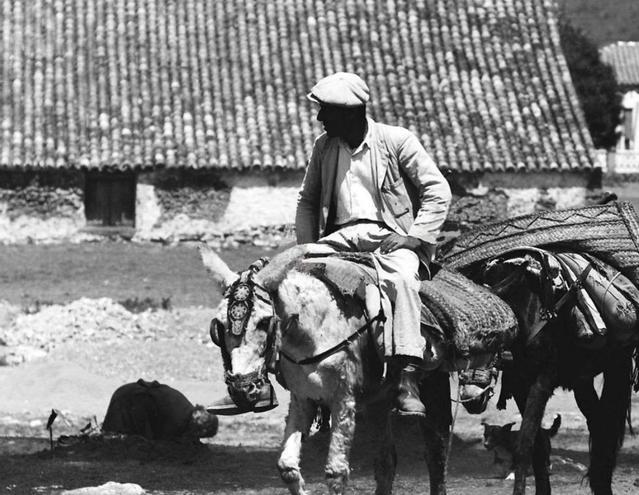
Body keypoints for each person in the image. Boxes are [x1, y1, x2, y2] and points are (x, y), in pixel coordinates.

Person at [209, 72, 451, 417]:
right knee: (277, 285)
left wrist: (415, 236)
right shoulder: (324, 147)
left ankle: (406, 380)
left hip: (389, 237)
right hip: (339, 239)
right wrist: (305, 251)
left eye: (327, 112)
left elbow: (437, 189)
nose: (321, 119)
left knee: (402, 282)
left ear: (351, 112)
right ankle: (257, 383)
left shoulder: (397, 140)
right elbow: (307, 201)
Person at [102, 379, 218, 441]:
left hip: (128, 392)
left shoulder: (185, 408)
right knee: (113, 438)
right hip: (127, 398)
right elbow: (163, 440)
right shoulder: (178, 418)